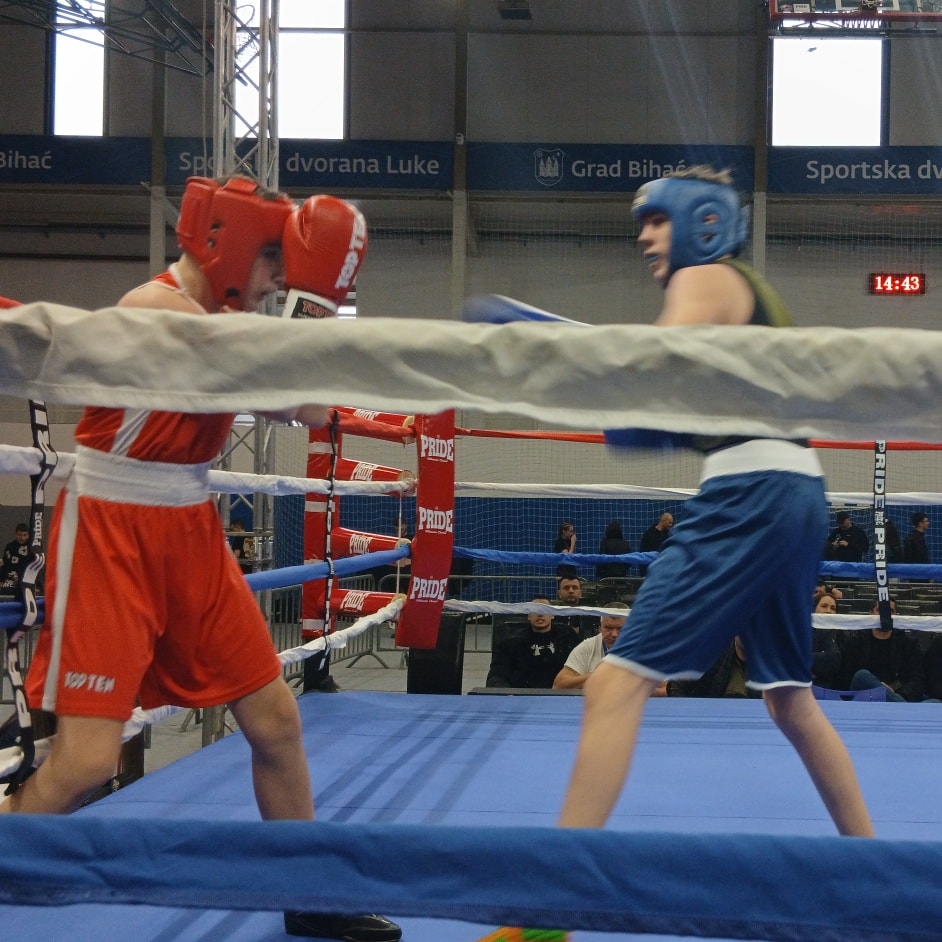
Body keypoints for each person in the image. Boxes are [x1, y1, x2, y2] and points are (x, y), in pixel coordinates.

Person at [0, 176, 401, 942]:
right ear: (235, 247)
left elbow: (309, 406)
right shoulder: (155, 308)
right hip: (113, 528)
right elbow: (264, 380)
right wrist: (301, 323)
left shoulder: (230, 320)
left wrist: (314, 304)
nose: (277, 282)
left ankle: (308, 892)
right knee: (85, 763)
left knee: (276, 721)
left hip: (189, 527)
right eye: (275, 264)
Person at [558, 167, 874, 839]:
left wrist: (581, 372)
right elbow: (671, 415)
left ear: (702, 221)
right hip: (798, 493)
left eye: (657, 220)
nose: (645, 237)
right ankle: (869, 858)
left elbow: (655, 378)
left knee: (613, 684)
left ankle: (554, 890)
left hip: (748, 496)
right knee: (790, 700)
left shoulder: (703, 278)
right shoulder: (749, 297)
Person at [836, 597, 928, 702]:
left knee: (935, 702)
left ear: (896, 616)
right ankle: (902, 707)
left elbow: (917, 680)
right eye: (880, 610)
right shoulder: (854, 642)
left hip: (898, 695)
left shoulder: (909, 643)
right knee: (862, 675)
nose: (885, 615)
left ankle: (898, 703)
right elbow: (844, 678)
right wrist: (877, 689)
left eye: (890, 611)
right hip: (863, 698)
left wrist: (893, 692)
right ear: (871, 614)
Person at [486, 598, 578, 689]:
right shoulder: (511, 642)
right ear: (529, 616)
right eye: (535, 610)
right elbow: (496, 676)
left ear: (552, 614)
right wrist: (508, 695)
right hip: (522, 695)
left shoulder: (568, 637)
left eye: (545, 610)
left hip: (561, 694)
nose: (540, 614)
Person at [553, 603, 629, 689]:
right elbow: (558, 685)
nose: (614, 634)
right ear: (600, 629)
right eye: (608, 628)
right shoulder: (588, 647)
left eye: (621, 628)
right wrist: (596, 676)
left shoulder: (640, 648)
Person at [663, 636, 756, 699]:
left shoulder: (764, 664)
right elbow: (675, 688)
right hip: (702, 705)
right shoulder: (711, 651)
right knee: (660, 689)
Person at [811, 591, 842, 690]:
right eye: (824, 606)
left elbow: (833, 660)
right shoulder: (800, 633)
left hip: (829, 688)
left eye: (833, 608)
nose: (829, 611)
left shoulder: (844, 635)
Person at [555, 574, 597, 640]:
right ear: (559, 594)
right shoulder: (552, 616)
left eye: (574, 588)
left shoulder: (592, 616)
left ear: (580, 593)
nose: (571, 591)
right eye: (566, 588)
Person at [0, 522, 30, 594]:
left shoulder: (32, 549)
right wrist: (1, 580)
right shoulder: (10, 547)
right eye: (19, 535)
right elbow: (5, 565)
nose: (22, 538)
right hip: (10, 578)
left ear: (28, 535)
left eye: (24, 535)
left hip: (27, 578)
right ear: (15, 534)